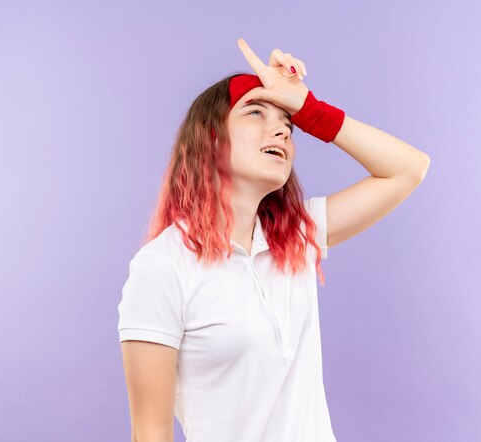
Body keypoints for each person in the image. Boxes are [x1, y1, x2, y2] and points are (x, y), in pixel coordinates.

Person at [117, 38, 430, 442]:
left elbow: (408, 169)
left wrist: (309, 107)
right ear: (210, 139)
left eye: (287, 121)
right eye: (255, 111)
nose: (282, 128)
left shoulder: (297, 238)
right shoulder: (162, 267)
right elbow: (150, 432)